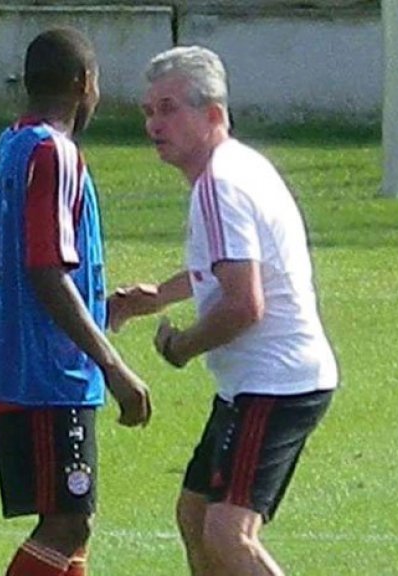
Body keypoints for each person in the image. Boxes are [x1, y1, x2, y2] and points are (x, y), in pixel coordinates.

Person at [109, 46, 338, 575]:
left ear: (213, 113)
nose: (154, 124)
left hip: (275, 384)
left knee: (228, 532)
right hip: (259, 384)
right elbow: (228, 267)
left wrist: (180, 346)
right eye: (149, 111)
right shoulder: (236, 168)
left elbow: (244, 304)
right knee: (195, 516)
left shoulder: (220, 184)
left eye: (169, 109)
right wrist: (158, 297)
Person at [0, 28, 152, 576]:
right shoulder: (55, 153)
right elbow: (45, 269)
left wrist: (102, 311)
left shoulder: (8, 147)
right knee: (67, 523)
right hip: (52, 379)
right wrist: (112, 366)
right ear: (84, 82)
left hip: (16, 370)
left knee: (73, 521)